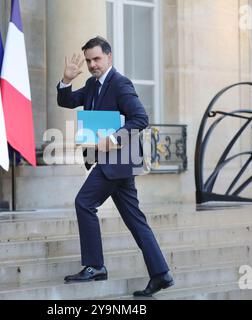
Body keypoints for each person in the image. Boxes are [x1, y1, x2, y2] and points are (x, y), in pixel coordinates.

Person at [56, 36, 174, 297]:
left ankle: (95, 266)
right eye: (88, 61)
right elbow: (66, 101)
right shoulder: (91, 84)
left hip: (116, 161)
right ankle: (161, 274)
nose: (92, 64)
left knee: (84, 203)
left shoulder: (121, 84)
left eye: (97, 59)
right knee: (135, 220)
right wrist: (66, 80)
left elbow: (140, 118)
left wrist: (112, 139)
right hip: (117, 165)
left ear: (109, 57)